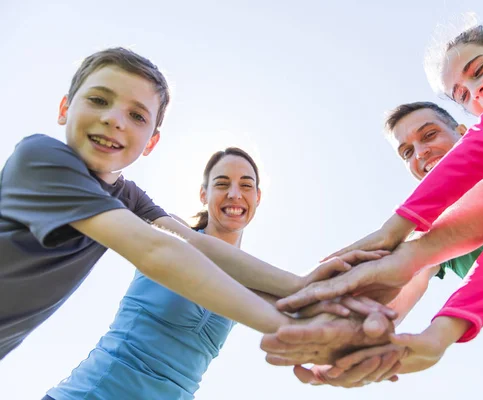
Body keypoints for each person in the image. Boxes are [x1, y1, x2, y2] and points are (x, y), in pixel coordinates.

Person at [0, 47, 392, 364]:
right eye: (99, 99)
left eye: (137, 115)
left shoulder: (127, 196)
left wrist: (305, 288)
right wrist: (286, 328)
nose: (114, 119)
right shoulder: (41, 157)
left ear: (152, 142)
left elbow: (193, 242)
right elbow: (156, 250)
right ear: (64, 108)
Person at [275, 25, 483, 347]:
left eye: (480, 70)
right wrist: (418, 334)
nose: (478, 92)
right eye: (464, 96)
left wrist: (397, 229)